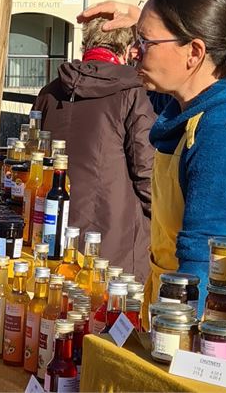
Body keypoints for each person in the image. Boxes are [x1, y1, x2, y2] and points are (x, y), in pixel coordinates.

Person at [79, 0, 226, 314]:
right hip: (166, 301)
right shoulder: (184, 104)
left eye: (144, 42)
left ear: (194, 53)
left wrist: (172, 340)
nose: (133, 51)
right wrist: (139, 17)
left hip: (201, 323)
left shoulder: (225, 126)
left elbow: (202, 256)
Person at [34, 17, 155, 282]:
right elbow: (146, 167)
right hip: (117, 233)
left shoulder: (50, 92)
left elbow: (32, 153)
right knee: (113, 312)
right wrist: (160, 218)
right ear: (129, 49)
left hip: (55, 226)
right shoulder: (133, 92)